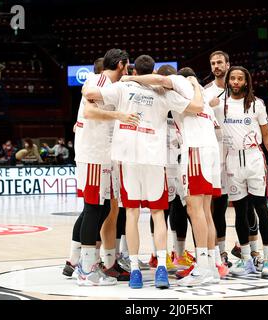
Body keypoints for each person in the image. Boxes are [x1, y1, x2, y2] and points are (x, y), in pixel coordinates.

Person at [82, 54, 204, 289]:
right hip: (155, 160)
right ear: (153, 72)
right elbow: (196, 107)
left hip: (128, 160)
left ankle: (136, 270)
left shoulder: (123, 87)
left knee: (131, 215)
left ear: (133, 71)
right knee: (158, 215)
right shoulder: (163, 92)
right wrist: (194, 86)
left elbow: (90, 94)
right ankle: (160, 269)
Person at [122, 66, 225, 285]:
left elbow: (160, 79)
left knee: (194, 209)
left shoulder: (177, 83)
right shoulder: (198, 92)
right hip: (211, 150)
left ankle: (203, 268)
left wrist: (133, 78)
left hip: (196, 150)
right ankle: (212, 266)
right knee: (206, 211)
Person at [63, 49, 137, 286]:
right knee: (93, 209)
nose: (127, 70)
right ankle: (86, 269)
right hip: (93, 156)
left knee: (102, 210)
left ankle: (84, 263)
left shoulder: (111, 86)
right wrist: (120, 115)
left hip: (106, 156)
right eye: (126, 66)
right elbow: (88, 111)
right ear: (121, 64)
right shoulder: (98, 80)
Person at [219, 66, 268, 278]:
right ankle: (245, 260)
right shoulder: (220, 104)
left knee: (261, 209)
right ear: (228, 81)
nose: (235, 81)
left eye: (239, 79)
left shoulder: (256, 104)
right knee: (240, 212)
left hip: (254, 159)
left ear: (246, 82)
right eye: (232, 78)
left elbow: (267, 134)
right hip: (232, 160)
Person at [203, 50, 233, 269]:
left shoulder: (240, 89)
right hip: (216, 152)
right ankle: (218, 253)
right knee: (217, 206)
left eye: (219, 62)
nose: (216, 66)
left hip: (239, 153)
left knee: (246, 205)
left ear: (228, 64)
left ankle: (248, 250)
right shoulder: (206, 92)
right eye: (213, 63)